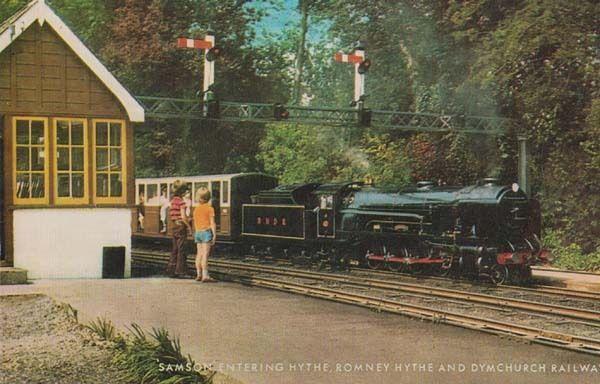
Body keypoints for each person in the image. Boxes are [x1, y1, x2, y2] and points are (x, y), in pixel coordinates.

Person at [166, 180, 191, 278]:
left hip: (174, 226)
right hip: (181, 226)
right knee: (182, 249)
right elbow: (184, 217)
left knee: (175, 248)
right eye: (185, 191)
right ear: (182, 192)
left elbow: (173, 215)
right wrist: (189, 226)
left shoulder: (172, 201)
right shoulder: (182, 202)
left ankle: (171, 269)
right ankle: (180, 271)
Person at [193, 187, 217, 282]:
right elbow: (212, 223)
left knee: (199, 254)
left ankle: (198, 274)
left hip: (198, 232)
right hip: (206, 232)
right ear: (209, 198)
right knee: (205, 255)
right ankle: (205, 275)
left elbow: (195, 223)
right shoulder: (210, 208)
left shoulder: (196, 209)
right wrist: (214, 235)